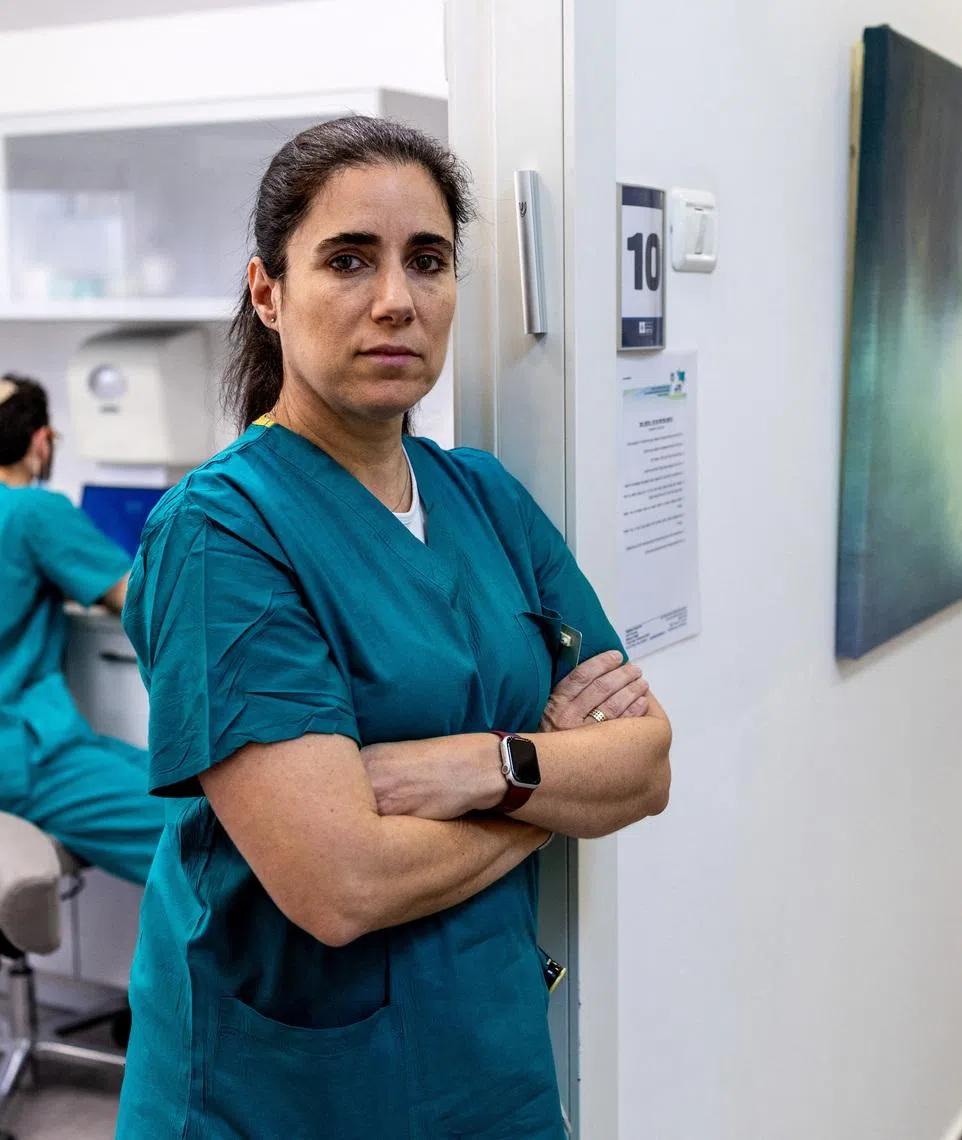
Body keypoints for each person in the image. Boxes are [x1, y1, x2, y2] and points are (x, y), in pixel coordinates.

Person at [116, 116, 671, 1139]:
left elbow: (646, 767)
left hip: (489, 1057)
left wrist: (476, 765)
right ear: (268, 293)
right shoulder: (221, 534)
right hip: (287, 1091)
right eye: (348, 260)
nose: (395, 301)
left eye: (428, 260)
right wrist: (556, 782)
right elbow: (341, 884)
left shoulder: (487, 498)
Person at [0, 375, 163, 885]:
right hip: (22, 753)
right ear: (41, 442)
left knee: (176, 780)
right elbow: (137, 598)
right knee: (204, 832)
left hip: (38, 744)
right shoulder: (32, 510)